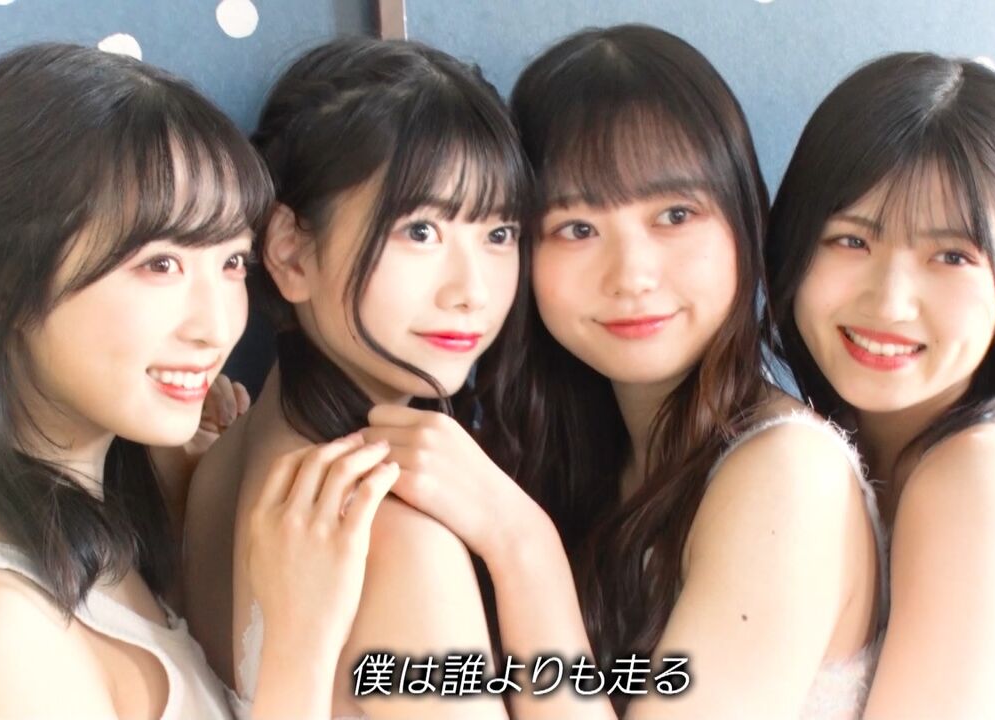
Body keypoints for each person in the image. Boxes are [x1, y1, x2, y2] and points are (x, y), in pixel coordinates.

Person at [366, 25, 888, 718]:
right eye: (577, 228)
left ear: (744, 219)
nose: (632, 275)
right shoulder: (576, 457)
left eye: (674, 215)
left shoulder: (788, 473)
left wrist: (521, 545)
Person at [0, 43, 396, 720]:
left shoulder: (66, 524)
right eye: (160, 265)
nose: (215, 327)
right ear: (1, 282)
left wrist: (184, 527)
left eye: (232, 263)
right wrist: (297, 647)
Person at [181, 37, 530, 720]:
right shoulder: (398, 545)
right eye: (421, 231)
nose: (472, 291)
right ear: (290, 252)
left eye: (499, 234)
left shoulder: (224, 460)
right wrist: (524, 545)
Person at [764, 52, 995, 718]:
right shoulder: (814, 459)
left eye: (951, 256)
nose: (891, 302)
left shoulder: (982, 479)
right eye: (851, 241)